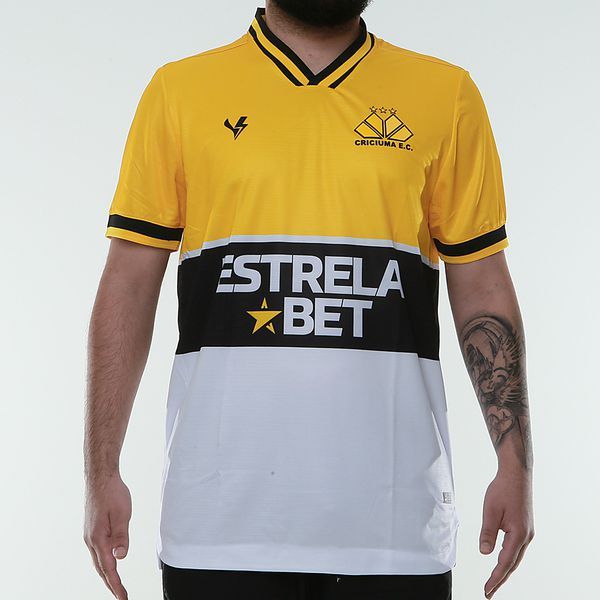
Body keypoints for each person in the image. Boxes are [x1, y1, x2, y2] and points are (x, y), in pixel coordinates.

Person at [83, 1, 534, 599]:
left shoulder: (445, 94)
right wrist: (101, 470)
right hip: (220, 529)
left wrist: (515, 466)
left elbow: (482, 283)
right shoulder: (180, 91)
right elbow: (129, 284)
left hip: (394, 531)